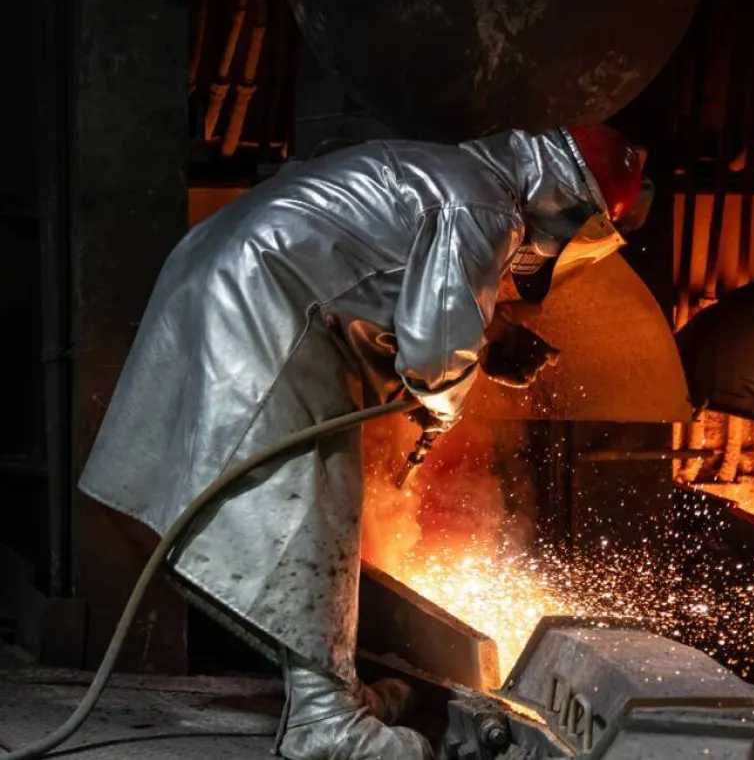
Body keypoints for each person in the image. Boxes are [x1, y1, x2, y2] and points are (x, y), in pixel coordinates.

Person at [76, 125, 651, 760]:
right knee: (315, 500)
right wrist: (442, 411)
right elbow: (433, 355)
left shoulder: (457, 173)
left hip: (216, 265)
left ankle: (332, 692)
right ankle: (324, 723)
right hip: (266, 300)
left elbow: (381, 278)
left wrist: (488, 333)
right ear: (568, 207)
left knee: (298, 494)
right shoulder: (484, 208)